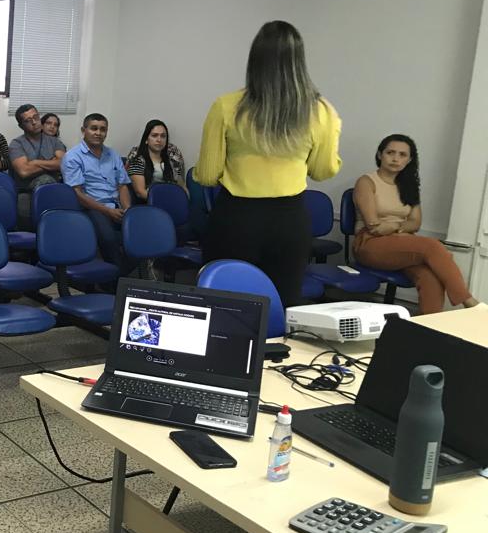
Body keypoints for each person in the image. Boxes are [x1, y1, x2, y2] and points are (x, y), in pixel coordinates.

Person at [196, 20, 341, 307]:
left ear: (255, 60)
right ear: (299, 62)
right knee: (281, 305)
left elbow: (208, 175)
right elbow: (322, 171)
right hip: (289, 222)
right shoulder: (322, 111)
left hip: (236, 218)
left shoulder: (226, 106)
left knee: (223, 306)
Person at [353, 135, 478, 315]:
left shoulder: (409, 186)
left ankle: (429, 326)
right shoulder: (366, 182)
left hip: (400, 243)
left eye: (402, 155)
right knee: (431, 246)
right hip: (369, 243)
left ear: (409, 160)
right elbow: (374, 226)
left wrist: (394, 226)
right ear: (380, 155)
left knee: (430, 276)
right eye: (390, 153)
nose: (395, 158)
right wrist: (401, 226)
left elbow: (416, 223)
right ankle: (468, 301)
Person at [62, 114, 134, 276]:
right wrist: (108, 211)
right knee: (109, 238)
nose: (98, 133)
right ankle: (116, 282)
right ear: (84, 130)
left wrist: (128, 210)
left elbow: (122, 185)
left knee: (141, 233)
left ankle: (116, 278)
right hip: (90, 208)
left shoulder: (113, 154)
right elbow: (77, 194)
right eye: (94, 128)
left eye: (103, 129)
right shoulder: (73, 156)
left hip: (116, 206)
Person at [9, 103, 66, 230]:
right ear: (21, 126)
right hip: (27, 191)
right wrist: (51, 162)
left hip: (53, 190)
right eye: (28, 120)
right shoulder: (16, 144)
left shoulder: (54, 141)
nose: (34, 122)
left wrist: (34, 163)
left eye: (36, 117)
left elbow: (63, 163)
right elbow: (24, 171)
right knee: (45, 179)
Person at [127, 119, 186, 201]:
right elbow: (140, 192)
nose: (159, 140)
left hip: (172, 199)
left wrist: (185, 199)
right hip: (150, 203)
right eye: (154, 135)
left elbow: (181, 186)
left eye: (163, 136)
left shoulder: (172, 159)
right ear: (146, 139)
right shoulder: (137, 161)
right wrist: (165, 201)